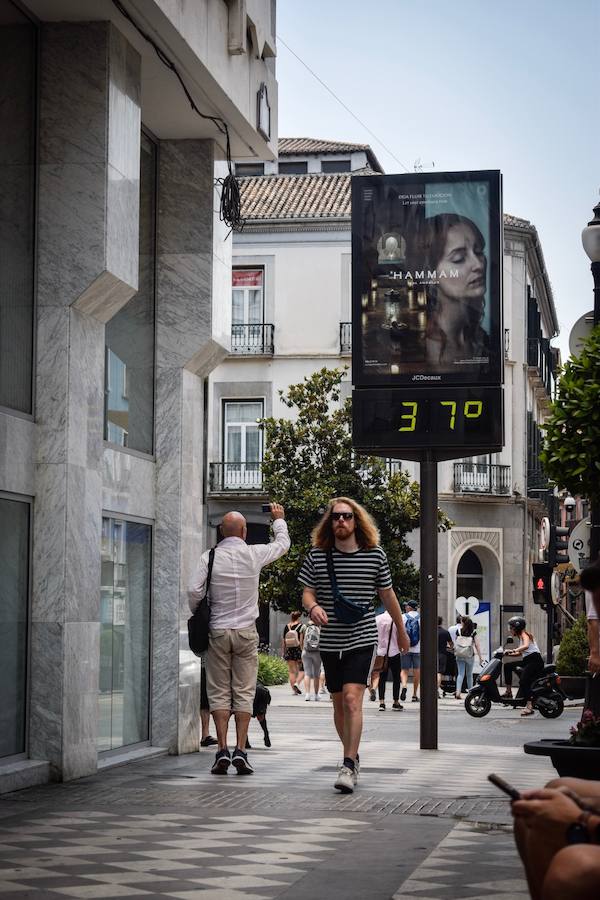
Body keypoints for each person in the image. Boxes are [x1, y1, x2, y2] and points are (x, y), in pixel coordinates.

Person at [298, 497, 409, 794]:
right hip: (330, 639)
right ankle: (352, 753)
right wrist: (313, 608)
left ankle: (347, 764)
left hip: (362, 636)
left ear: (356, 521)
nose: (341, 522)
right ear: (329, 523)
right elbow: (307, 593)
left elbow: (388, 596)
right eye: (336, 518)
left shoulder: (375, 555)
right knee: (337, 703)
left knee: (351, 699)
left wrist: (401, 629)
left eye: (347, 517)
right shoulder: (318, 556)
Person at [188, 503, 289, 776]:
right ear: (244, 532)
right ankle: (241, 751)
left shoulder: (208, 558)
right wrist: (278, 520)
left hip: (217, 632)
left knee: (218, 692)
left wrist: (201, 609)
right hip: (246, 632)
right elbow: (282, 545)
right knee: (244, 692)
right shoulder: (253, 554)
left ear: (221, 531)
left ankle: (221, 750)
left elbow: (194, 591)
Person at [418, 213, 489, 370]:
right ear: (430, 272)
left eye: (478, 252)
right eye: (459, 258)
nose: (478, 264)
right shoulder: (420, 348)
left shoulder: (484, 342)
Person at [503, 616, 544, 716]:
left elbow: (525, 646)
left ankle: (529, 707)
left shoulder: (524, 634)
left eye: (511, 628)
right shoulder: (520, 636)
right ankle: (508, 692)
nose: (510, 630)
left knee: (524, 681)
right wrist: (507, 654)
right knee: (507, 666)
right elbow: (522, 653)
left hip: (535, 661)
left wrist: (513, 650)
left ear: (517, 628)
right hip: (528, 660)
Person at [375, 610, 403, 711]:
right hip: (394, 652)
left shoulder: (377, 619)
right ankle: (395, 702)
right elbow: (401, 636)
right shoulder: (397, 619)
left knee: (382, 678)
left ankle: (381, 703)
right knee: (396, 678)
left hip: (381, 653)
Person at [453, 615, 483, 699]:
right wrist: (480, 657)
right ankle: (471, 693)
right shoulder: (473, 632)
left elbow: (456, 642)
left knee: (460, 674)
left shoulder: (458, 631)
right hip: (469, 655)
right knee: (469, 674)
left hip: (459, 654)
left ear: (462, 622)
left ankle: (458, 692)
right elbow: (477, 645)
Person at [400, 600, 421, 702]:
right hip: (418, 648)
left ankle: (404, 685)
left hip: (406, 647)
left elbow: (400, 631)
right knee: (417, 670)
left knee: (404, 669)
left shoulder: (403, 617)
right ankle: (414, 694)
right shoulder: (421, 618)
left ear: (409, 607)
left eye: (406, 606)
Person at [282, 611, 305, 695]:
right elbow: (301, 641)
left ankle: (294, 690)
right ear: (299, 617)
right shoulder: (301, 626)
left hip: (289, 650)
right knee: (303, 669)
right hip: (298, 650)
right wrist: (303, 651)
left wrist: (283, 652)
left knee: (292, 671)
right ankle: (297, 684)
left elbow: (284, 641)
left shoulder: (287, 626)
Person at [301, 617, 322, 702]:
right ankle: (316, 695)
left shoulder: (304, 626)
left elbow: (301, 640)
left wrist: (303, 649)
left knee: (307, 673)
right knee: (316, 674)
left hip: (306, 651)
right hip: (317, 652)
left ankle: (307, 694)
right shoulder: (319, 626)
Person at [199, 666, 218, 747]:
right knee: (205, 701)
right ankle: (205, 735)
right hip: (204, 665)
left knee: (205, 701)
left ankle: (205, 735)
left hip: (208, 666)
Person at [437, 616, 452, 695]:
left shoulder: (430, 631)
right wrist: (450, 648)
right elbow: (451, 644)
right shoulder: (445, 632)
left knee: (432, 672)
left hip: (431, 655)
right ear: (441, 622)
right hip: (442, 654)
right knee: (439, 673)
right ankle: (436, 690)